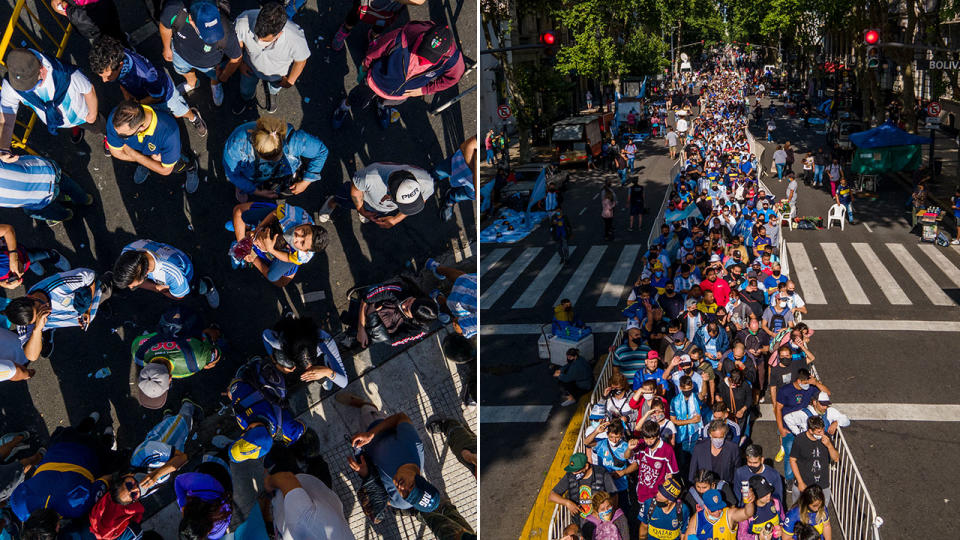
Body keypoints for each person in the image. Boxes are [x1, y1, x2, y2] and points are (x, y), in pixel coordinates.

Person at [331, 21, 464, 129]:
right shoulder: (402, 37)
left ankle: (382, 105)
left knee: (389, 102)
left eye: (430, 58)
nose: (423, 59)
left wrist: (425, 90)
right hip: (376, 81)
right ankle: (345, 106)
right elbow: (376, 51)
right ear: (423, 37)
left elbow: (453, 78)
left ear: (445, 55)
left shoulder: (453, 60)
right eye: (424, 51)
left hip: (401, 93)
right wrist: (365, 67)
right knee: (358, 97)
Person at [340, 392, 442, 513]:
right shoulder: (413, 446)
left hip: (364, 450)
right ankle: (366, 404)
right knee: (365, 412)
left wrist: (366, 474)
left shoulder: (402, 504)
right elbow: (401, 417)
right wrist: (371, 434)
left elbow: (383, 497)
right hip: (374, 424)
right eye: (410, 486)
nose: (402, 488)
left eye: (406, 494)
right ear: (420, 479)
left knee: (357, 429)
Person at [88, 35, 207, 137]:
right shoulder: (115, 56)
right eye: (102, 76)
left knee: (179, 110)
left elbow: (158, 96)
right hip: (142, 95)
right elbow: (123, 86)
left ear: (120, 65)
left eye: (107, 76)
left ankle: (194, 117)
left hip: (165, 95)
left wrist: (136, 105)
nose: (104, 80)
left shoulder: (145, 74)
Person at [10, 413, 118, 523]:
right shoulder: (17, 505)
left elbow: (105, 480)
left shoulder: (76, 507)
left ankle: (108, 439)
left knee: (105, 458)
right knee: (78, 431)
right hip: (60, 445)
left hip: (89, 455)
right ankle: (90, 421)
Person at [0, 48, 104, 151]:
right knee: (74, 123)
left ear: (41, 70)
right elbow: (5, 120)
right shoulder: (13, 84)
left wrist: (92, 115)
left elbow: (89, 90)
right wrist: (3, 148)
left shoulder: (66, 74)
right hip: (61, 119)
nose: (32, 91)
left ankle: (107, 135)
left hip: (83, 114)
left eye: (32, 86)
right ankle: (75, 126)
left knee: (98, 127)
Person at [223, 115, 329, 202]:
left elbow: (321, 151)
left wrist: (306, 181)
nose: (276, 161)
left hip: (275, 173)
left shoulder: (295, 140)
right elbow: (232, 174)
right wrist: (255, 191)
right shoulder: (236, 146)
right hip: (253, 175)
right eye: (270, 158)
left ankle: (246, 185)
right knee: (239, 178)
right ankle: (243, 186)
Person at [158, 0, 242, 107]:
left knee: (215, 75)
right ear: (191, 19)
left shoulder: (226, 29)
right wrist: (166, 48)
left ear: (217, 10)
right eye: (205, 32)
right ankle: (192, 83)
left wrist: (223, 76)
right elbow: (165, 26)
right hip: (181, 55)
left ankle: (215, 84)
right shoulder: (174, 9)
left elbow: (236, 57)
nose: (213, 39)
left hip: (211, 65)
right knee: (183, 70)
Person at [232, 3, 311, 115]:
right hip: (249, 67)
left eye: (264, 41)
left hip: (277, 75)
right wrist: (240, 64)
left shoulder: (296, 38)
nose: (258, 42)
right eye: (257, 35)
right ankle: (246, 97)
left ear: (279, 34)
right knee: (245, 89)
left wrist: (289, 81)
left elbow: (301, 60)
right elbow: (238, 42)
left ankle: (272, 93)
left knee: (274, 87)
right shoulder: (242, 21)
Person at [228, 201, 328, 286]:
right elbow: (274, 213)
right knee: (243, 215)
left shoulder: (302, 256)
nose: (297, 237)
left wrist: (271, 250)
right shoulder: (293, 216)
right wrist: (259, 228)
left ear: (304, 251)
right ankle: (248, 231)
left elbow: (288, 258)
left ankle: (250, 248)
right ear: (307, 224)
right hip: (278, 223)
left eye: (302, 243)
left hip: (278, 244)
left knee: (273, 277)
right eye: (304, 232)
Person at [5, 268, 111, 348]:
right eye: (37, 319)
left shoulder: (60, 286)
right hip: (80, 311)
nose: (44, 314)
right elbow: (31, 356)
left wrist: (88, 309)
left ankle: (106, 281)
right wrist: (37, 329)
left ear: (30, 297)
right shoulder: (26, 321)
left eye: (40, 308)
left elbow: (90, 276)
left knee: (107, 292)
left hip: (88, 301)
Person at [227, 356, 307, 463]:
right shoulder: (241, 418)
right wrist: (231, 392)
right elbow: (235, 383)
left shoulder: (287, 432)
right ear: (246, 432)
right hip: (261, 376)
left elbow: (302, 425)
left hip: (278, 384)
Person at [105, 100, 199, 190]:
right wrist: (148, 160)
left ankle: (191, 167)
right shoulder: (116, 120)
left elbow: (165, 170)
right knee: (145, 161)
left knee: (180, 164)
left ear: (142, 127)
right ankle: (146, 165)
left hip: (164, 155)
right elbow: (116, 152)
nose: (118, 136)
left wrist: (131, 152)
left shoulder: (169, 134)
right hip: (146, 153)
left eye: (123, 136)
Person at [131, 318, 223, 409]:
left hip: (192, 327)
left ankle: (215, 330)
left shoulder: (196, 361)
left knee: (210, 362)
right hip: (167, 322)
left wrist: (206, 359)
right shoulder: (137, 351)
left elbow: (216, 353)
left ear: (170, 379)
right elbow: (143, 338)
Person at [316, 162, 435, 228]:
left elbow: (421, 200)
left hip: (380, 207)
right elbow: (356, 190)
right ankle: (333, 201)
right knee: (344, 198)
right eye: (400, 204)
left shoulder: (427, 182)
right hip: (363, 196)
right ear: (388, 192)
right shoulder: (370, 177)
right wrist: (361, 209)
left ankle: (368, 212)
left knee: (375, 211)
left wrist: (395, 220)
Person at [112, 239, 219, 307]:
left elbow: (178, 296)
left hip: (184, 273)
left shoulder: (172, 275)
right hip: (172, 254)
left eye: (134, 286)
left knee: (193, 288)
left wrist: (158, 289)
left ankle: (207, 286)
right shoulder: (127, 250)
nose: (131, 288)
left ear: (146, 274)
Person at [0, 152, 94, 224]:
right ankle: (85, 199)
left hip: (37, 199)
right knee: (67, 184)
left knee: (31, 211)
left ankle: (66, 215)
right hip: (44, 171)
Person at [262, 315, 347, 390]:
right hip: (288, 335)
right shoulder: (280, 342)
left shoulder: (326, 341)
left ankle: (327, 360)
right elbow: (265, 334)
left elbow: (344, 383)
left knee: (329, 384)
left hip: (306, 334)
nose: (310, 369)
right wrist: (276, 363)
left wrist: (327, 372)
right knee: (284, 361)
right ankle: (290, 319)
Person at [263, 469, 353, 539]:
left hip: (324, 500)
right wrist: (268, 483)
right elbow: (286, 478)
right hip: (297, 485)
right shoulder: (306, 523)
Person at [354, 277, 438, 348]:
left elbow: (391, 341)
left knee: (374, 338)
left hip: (378, 321)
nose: (405, 304)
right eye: (411, 301)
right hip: (377, 303)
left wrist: (373, 322)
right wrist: (360, 328)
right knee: (370, 290)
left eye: (407, 309)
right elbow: (366, 299)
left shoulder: (419, 330)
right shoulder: (399, 290)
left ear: (414, 319)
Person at [547, 452, 617, 526]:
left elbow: (614, 496)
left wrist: (608, 516)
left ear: (586, 466)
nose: (574, 473)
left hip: (600, 523)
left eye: (577, 470)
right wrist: (567, 503)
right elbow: (551, 496)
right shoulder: (570, 475)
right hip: (579, 524)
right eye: (572, 470)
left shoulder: (602, 474)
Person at [175, 454, 235, 540]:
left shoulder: (219, 523)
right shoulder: (200, 484)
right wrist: (183, 505)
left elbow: (216, 537)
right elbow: (178, 480)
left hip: (223, 473)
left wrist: (183, 505)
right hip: (214, 467)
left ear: (206, 532)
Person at [622, 420, 678, 508]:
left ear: (658, 436)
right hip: (642, 492)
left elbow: (670, 475)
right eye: (646, 438)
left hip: (657, 495)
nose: (648, 442)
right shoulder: (641, 444)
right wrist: (629, 449)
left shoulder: (667, 450)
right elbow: (626, 457)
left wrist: (664, 495)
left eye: (651, 438)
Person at [329, 0, 423, 50]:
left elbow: (419, 1)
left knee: (383, 20)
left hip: (393, 6)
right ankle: (345, 29)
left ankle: (373, 36)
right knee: (357, 13)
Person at [789, 416, 839, 504]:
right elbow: (792, 460)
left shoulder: (826, 437)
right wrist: (800, 482)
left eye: (823, 429)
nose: (822, 433)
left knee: (821, 513)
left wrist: (829, 445)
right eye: (819, 432)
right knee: (799, 510)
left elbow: (836, 458)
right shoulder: (799, 440)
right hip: (804, 484)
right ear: (810, 430)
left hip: (822, 485)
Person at [424, 257, 478, 339]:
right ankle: (437, 297)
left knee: (462, 278)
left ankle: (435, 266)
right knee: (455, 310)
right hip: (460, 300)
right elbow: (459, 325)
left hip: (474, 282)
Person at [685, 486, 755, 540]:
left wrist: (749, 501)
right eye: (713, 510)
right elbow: (687, 537)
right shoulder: (697, 518)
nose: (717, 512)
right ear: (705, 507)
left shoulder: (729, 514)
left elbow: (748, 513)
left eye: (720, 508)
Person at [688, 420, 739, 485]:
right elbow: (692, 472)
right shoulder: (699, 448)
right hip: (704, 488)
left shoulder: (733, 448)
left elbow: (737, 471)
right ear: (710, 435)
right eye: (715, 437)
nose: (718, 440)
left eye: (720, 437)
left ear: (725, 435)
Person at [49, 0, 124, 43]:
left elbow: (87, 21)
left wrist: (67, 9)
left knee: (111, 39)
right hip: (105, 12)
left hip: (97, 23)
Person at [738, 475, 785, 539]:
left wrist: (782, 528)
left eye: (769, 491)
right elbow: (741, 536)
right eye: (764, 494)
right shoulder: (746, 512)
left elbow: (783, 519)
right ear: (754, 496)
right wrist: (758, 537)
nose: (769, 495)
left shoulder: (776, 503)